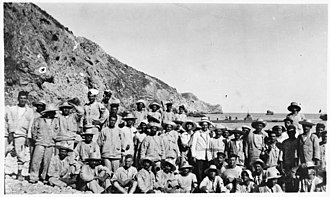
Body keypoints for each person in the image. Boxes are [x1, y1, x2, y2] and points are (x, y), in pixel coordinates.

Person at [7, 91, 34, 181]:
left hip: (22, 135)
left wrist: (28, 137)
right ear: (18, 98)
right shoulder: (12, 109)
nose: (23, 100)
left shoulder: (30, 111)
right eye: (21, 98)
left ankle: (19, 173)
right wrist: (10, 133)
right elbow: (9, 121)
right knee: (5, 151)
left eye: (24, 98)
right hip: (11, 133)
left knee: (20, 154)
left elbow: (30, 125)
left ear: (27, 99)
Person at [29, 104, 59, 184]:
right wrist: (36, 139)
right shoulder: (39, 120)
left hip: (50, 143)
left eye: (53, 112)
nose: (51, 114)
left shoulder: (56, 120)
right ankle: (33, 176)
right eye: (50, 112)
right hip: (40, 142)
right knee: (36, 160)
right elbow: (34, 130)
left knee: (47, 161)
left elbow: (57, 130)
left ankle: (43, 176)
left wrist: (54, 137)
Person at [190, 117, 212, 182]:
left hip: (208, 155)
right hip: (199, 155)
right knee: (199, 172)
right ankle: (199, 184)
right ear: (201, 125)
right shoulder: (197, 133)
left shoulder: (210, 133)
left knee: (206, 171)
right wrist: (193, 155)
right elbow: (193, 145)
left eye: (206, 125)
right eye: (203, 125)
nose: (205, 126)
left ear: (208, 125)